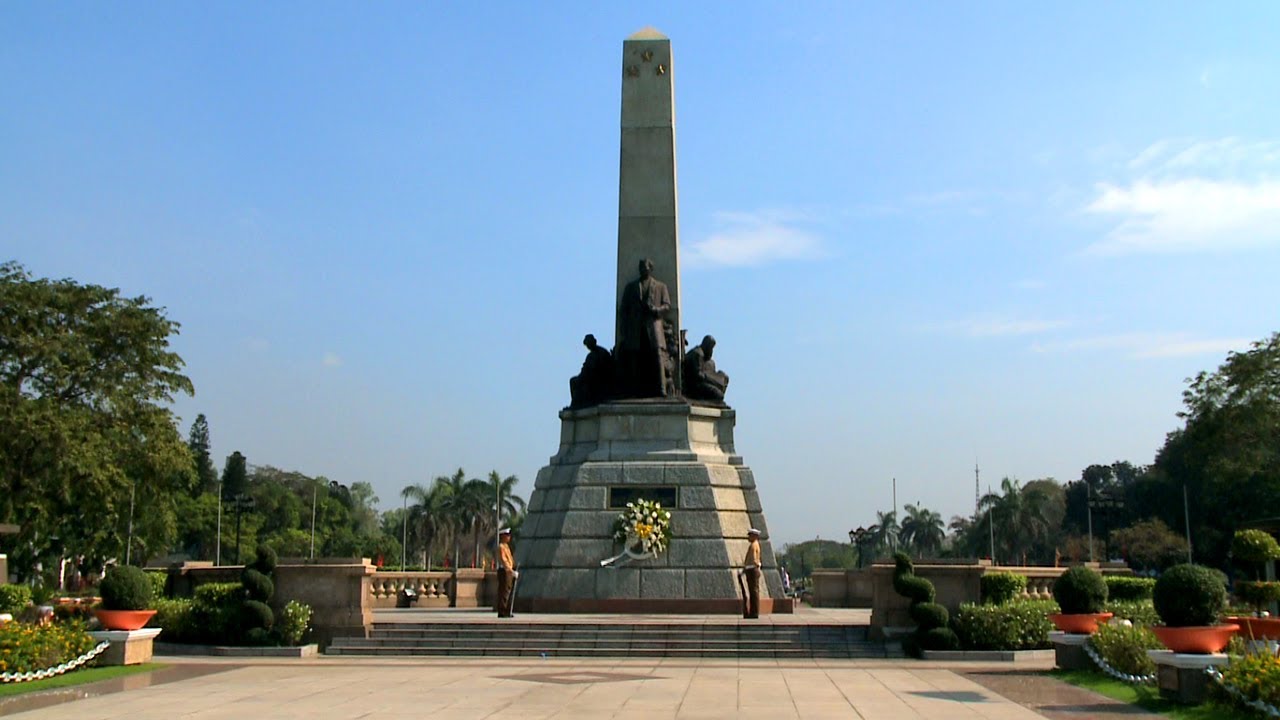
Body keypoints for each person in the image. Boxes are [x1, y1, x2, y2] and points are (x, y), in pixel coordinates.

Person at [616, 258, 672, 398]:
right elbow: (624, 309)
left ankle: (662, 388)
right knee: (634, 357)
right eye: (641, 267)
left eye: (646, 267)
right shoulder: (631, 287)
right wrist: (624, 326)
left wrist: (656, 310)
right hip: (635, 327)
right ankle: (633, 390)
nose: (643, 269)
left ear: (650, 269)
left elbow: (667, 306)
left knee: (658, 356)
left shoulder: (660, 286)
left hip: (654, 326)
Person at [569, 334, 614, 408]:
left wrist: (579, 379)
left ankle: (575, 404)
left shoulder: (595, 355)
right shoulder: (600, 352)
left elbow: (587, 372)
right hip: (597, 380)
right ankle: (576, 403)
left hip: (597, 382)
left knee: (573, 382)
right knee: (576, 381)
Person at [682, 335, 729, 401]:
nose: (712, 351)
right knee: (719, 395)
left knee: (724, 377)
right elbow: (698, 375)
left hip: (700, 384)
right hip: (694, 387)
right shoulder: (698, 354)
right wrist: (713, 379)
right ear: (707, 346)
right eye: (711, 348)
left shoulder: (701, 353)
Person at [495, 528, 517, 618]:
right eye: (507, 535)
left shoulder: (506, 547)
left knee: (508, 591)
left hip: (509, 571)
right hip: (504, 571)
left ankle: (507, 610)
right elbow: (504, 560)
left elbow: (510, 560)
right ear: (503, 536)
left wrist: (513, 568)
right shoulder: (501, 547)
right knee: (504, 591)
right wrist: (510, 570)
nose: (509, 537)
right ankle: (502, 610)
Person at [741, 528, 762, 619]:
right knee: (753, 592)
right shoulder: (755, 545)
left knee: (753, 592)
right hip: (753, 570)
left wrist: (747, 568)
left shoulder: (753, 546)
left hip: (752, 570)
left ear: (754, 536)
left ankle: (754, 612)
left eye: (750, 535)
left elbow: (753, 560)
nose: (748, 537)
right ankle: (753, 611)